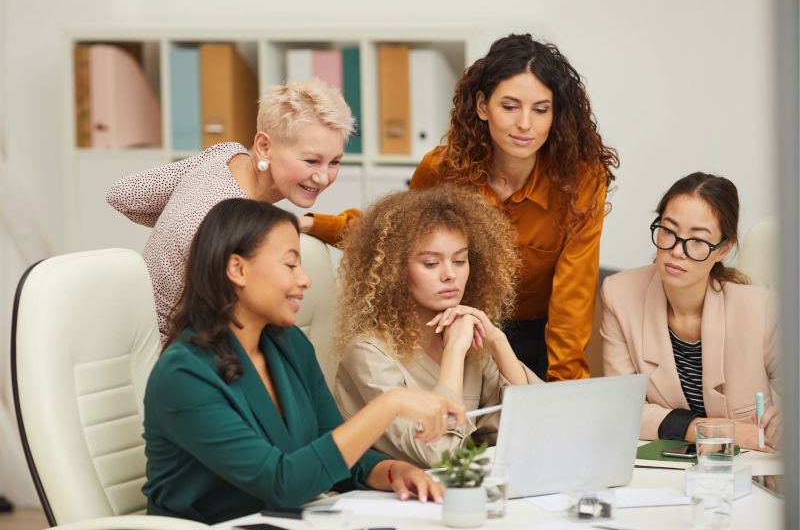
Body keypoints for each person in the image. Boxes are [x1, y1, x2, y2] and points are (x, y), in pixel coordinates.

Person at [142, 198, 466, 524]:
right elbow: (282, 484)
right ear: (237, 269)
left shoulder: (289, 344)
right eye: (290, 264)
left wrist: (393, 470)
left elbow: (332, 446)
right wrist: (390, 405)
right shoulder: (183, 375)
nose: (305, 280)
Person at [409, 33, 618, 382]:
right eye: (509, 107)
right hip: (455, 329)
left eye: (540, 110)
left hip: (539, 338)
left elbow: (573, 297)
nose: (525, 124)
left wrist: (565, 393)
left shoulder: (581, 180)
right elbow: (393, 234)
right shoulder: (442, 169)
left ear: (556, 115)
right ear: (481, 106)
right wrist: (312, 224)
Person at [106, 78, 360, 340]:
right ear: (264, 147)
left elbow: (125, 194)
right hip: (182, 354)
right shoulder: (235, 228)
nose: (323, 177)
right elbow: (230, 332)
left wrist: (178, 223)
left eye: (334, 162)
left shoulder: (224, 155)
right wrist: (190, 230)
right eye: (311, 161)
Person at [333, 187, 540, 468]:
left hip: (453, 496)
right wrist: (453, 352)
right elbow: (438, 454)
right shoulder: (369, 354)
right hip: (388, 501)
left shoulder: (473, 345)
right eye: (431, 263)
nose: (450, 275)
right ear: (395, 271)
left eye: (459, 260)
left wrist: (497, 341)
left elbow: (534, 427)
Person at [600, 172, 781, 450]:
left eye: (698, 240)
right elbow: (621, 409)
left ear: (724, 248)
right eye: (668, 231)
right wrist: (719, 430)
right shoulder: (619, 294)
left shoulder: (763, 309)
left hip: (748, 469)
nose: (677, 251)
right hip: (660, 469)